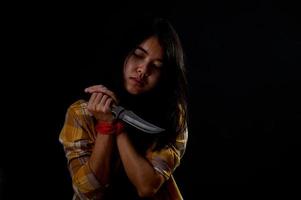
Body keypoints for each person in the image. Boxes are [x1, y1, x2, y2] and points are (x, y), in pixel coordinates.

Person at [59, 17, 188, 199]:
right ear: (123, 53)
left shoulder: (172, 116)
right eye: (138, 54)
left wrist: (117, 126)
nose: (143, 70)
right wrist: (105, 127)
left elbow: (147, 186)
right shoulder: (82, 112)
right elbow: (88, 192)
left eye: (157, 66)